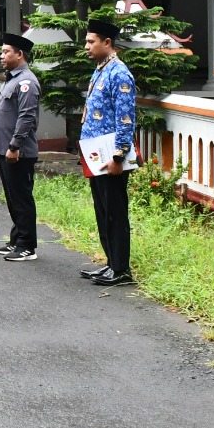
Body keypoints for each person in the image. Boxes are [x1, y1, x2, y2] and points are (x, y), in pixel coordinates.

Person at [80, 18, 136, 287]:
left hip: (110, 157)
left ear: (107, 43)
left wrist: (118, 157)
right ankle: (111, 263)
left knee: (114, 213)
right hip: (95, 155)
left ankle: (122, 269)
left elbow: (125, 119)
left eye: (91, 42)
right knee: (102, 211)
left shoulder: (119, 74)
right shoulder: (101, 69)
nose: (87, 47)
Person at [0, 33, 41, 262]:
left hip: (18, 151)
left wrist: (14, 145)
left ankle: (27, 246)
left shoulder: (27, 81)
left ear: (19, 54)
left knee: (21, 198)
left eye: (6, 52)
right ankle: (16, 240)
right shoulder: (12, 79)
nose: (1, 56)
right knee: (12, 197)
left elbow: (27, 117)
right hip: (5, 149)